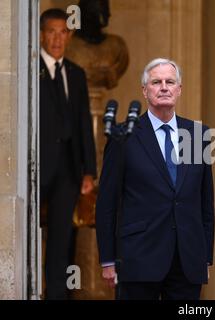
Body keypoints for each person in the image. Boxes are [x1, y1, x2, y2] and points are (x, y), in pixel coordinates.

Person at [96, 58, 215, 300]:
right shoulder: (124, 136)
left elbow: (205, 202)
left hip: (187, 260)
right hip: (138, 258)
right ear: (145, 90)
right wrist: (108, 259)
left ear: (179, 89)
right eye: (156, 82)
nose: (164, 87)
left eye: (170, 82)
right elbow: (106, 202)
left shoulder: (198, 135)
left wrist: (205, 257)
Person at [39, 8, 97, 299]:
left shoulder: (76, 74)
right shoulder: (29, 70)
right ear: (41, 34)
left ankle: (57, 296)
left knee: (63, 240)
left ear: (69, 35)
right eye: (51, 31)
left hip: (68, 171)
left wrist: (89, 171)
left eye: (63, 32)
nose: (57, 38)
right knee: (28, 232)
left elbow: (84, 123)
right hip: (35, 168)